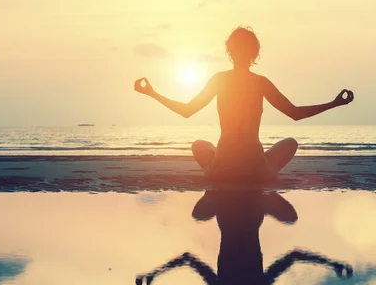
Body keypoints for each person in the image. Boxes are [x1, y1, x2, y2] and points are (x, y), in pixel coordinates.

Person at [134, 26, 354, 182]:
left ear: (229, 51)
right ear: (255, 53)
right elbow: (294, 113)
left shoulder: (219, 79)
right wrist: (333, 103)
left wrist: (152, 93)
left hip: (221, 171)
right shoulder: (260, 83)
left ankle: (216, 167)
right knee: (290, 143)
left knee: (199, 145)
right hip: (256, 170)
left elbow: (186, 111)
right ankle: (263, 167)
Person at [135, 189, 352, 285]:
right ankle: (224, 189)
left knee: (289, 217)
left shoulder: (256, 283)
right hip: (233, 206)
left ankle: (254, 189)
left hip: (249, 205)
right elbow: (188, 258)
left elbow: (293, 256)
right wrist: (154, 273)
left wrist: (331, 263)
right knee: (199, 213)